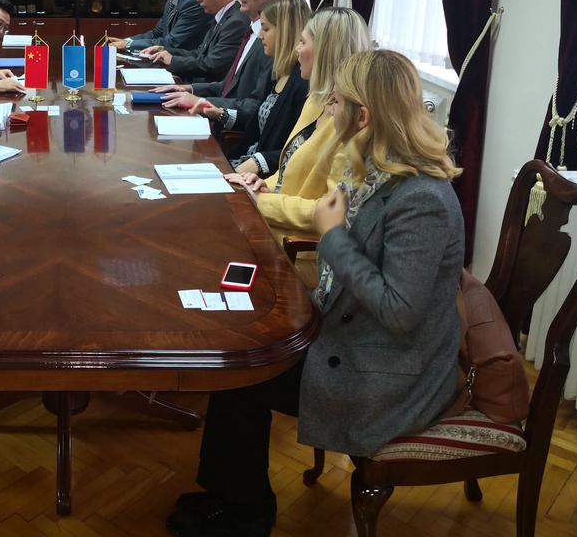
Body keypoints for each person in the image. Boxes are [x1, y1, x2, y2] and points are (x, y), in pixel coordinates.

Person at [167, 50, 465, 537]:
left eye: (336, 102)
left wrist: (332, 237)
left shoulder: (422, 199)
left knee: (242, 378)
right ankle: (232, 496)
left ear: (362, 116)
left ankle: (246, 513)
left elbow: (400, 312)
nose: (328, 109)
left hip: (390, 371)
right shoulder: (372, 166)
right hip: (357, 336)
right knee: (240, 359)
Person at [227, 7, 372, 237]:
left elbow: (332, 209)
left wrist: (262, 200)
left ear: (324, 52)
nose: (297, 49)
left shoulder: (350, 121)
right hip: (272, 222)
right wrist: (261, 186)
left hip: (295, 245)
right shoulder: (315, 100)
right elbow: (287, 173)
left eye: (303, 42)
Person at [154, 0, 285, 129]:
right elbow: (227, 85)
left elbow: (255, 105)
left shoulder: (272, 41)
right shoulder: (250, 30)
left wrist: (201, 101)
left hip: (231, 130)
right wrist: (189, 89)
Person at [207, 0, 311, 178]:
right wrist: (219, 113)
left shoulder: (303, 83)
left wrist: (258, 162)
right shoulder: (278, 72)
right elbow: (260, 120)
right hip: (245, 162)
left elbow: (300, 149)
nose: (260, 35)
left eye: (266, 28)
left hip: (262, 176)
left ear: (285, 32)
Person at [139, 0, 244, 84]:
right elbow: (199, 53)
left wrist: (173, 61)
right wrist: (164, 50)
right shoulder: (221, 17)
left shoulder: (236, 22)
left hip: (208, 89)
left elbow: (211, 64)